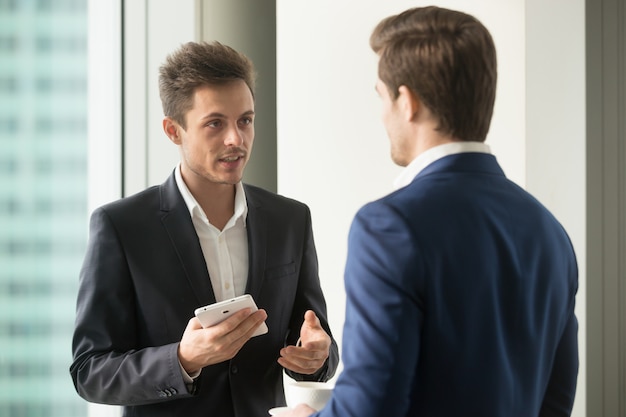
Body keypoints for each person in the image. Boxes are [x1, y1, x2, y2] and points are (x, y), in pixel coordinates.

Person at [280, 6, 578, 417]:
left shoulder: (388, 227)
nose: (380, 113)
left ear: (407, 102)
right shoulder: (550, 232)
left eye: (381, 96)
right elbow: (556, 403)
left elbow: (371, 407)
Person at [70, 41, 339, 417]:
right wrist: (182, 359)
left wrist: (317, 355)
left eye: (245, 120)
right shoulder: (121, 227)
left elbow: (313, 336)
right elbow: (90, 371)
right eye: (215, 123)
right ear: (173, 131)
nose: (236, 139)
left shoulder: (290, 219)